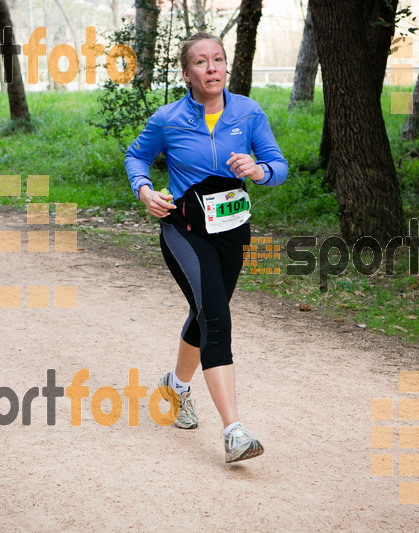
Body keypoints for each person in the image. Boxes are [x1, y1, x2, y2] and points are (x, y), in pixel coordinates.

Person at [124, 32, 288, 463]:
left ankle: (175, 387)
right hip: (185, 230)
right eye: (201, 61)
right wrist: (144, 191)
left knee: (205, 313)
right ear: (187, 73)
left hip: (233, 231)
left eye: (218, 59)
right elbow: (135, 157)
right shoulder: (168, 118)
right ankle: (234, 431)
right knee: (217, 316)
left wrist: (260, 169)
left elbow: (279, 166)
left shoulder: (249, 113)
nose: (212, 67)